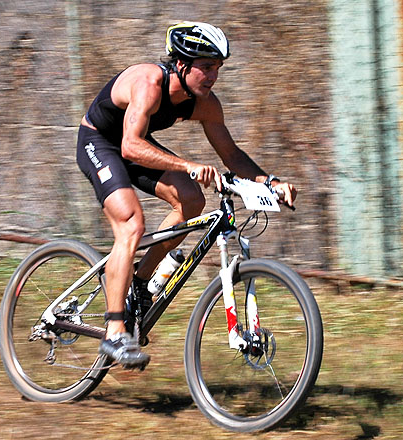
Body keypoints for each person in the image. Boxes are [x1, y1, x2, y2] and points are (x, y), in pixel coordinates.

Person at [76, 21, 297, 368]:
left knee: (192, 200)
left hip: (134, 147)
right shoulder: (149, 84)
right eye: (206, 67)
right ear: (181, 64)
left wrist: (271, 182)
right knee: (132, 225)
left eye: (218, 68)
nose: (213, 76)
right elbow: (130, 145)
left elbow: (232, 155)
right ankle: (115, 331)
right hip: (101, 143)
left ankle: (139, 281)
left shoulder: (205, 104)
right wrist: (188, 165)